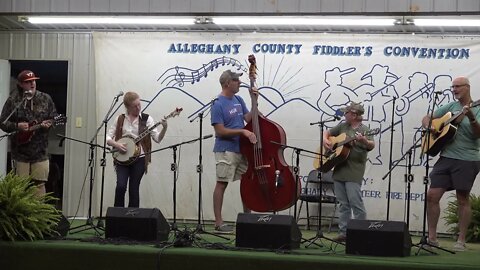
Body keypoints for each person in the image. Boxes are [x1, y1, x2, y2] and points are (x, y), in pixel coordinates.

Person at [421, 76, 480, 252]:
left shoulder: (476, 108)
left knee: (462, 198)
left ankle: (461, 241)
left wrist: (471, 117)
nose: (454, 89)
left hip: (468, 158)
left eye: (457, 86)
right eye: (452, 87)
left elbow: (478, 134)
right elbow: (427, 117)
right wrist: (430, 125)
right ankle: (432, 238)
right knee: (432, 195)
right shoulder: (451, 107)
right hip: (446, 157)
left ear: (467, 87)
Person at [210, 70, 257, 232]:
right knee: (222, 183)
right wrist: (242, 132)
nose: (239, 82)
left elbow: (249, 118)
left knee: (246, 182)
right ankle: (218, 222)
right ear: (227, 83)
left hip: (241, 149)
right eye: (236, 80)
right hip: (225, 150)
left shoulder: (238, 99)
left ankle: (247, 219)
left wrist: (254, 100)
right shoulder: (218, 103)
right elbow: (220, 131)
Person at [322, 101, 375, 242]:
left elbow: (371, 145)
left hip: (354, 170)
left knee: (355, 202)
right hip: (339, 169)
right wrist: (325, 140)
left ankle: (361, 232)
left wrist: (363, 141)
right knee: (343, 204)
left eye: (346, 113)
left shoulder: (366, 129)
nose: (344, 114)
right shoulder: (343, 126)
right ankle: (343, 233)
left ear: (354, 115)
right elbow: (327, 132)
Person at [0, 70, 58, 196]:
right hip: (20, 152)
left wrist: (48, 124)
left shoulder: (45, 98)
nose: (32, 83)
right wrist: (17, 126)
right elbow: (3, 122)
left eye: (34, 80)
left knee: (40, 184)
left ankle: (38, 214)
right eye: (28, 82)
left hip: (40, 151)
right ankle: (22, 214)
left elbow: (53, 118)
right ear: (21, 84)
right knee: (20, 185)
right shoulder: (13, 100)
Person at [106, 91, 167, 208]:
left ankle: (132, 219)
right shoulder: (120, 119)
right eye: (135, 106)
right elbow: (108, 137)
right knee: (121, 186)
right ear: (127, 107)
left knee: (134, 189)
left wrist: (165, 127)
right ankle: (117, 217)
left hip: (139, 159)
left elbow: (157, 139)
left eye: (139, 104)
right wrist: (116, 144)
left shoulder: (147, 119)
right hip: (121, 159)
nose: (138, 107)